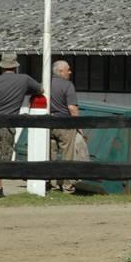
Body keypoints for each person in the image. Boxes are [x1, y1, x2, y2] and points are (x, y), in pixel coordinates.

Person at [0, 52, 43, 199]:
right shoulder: (25, 79)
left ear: (2, 66)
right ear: (15, 66)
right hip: (7, 123)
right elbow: (41, 90)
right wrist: (25, 92)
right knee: (5, 158)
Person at [49, 59, 80, 193]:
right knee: (68, 155)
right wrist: (79, 125)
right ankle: (67, 186)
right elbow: (72, 108)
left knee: (51, 155)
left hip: (49, 124)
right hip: (65, 124)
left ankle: (53, 184)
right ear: (61, 71)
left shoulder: (46, 83)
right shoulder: (68, 85)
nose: (70, 72)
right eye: (68, 70)